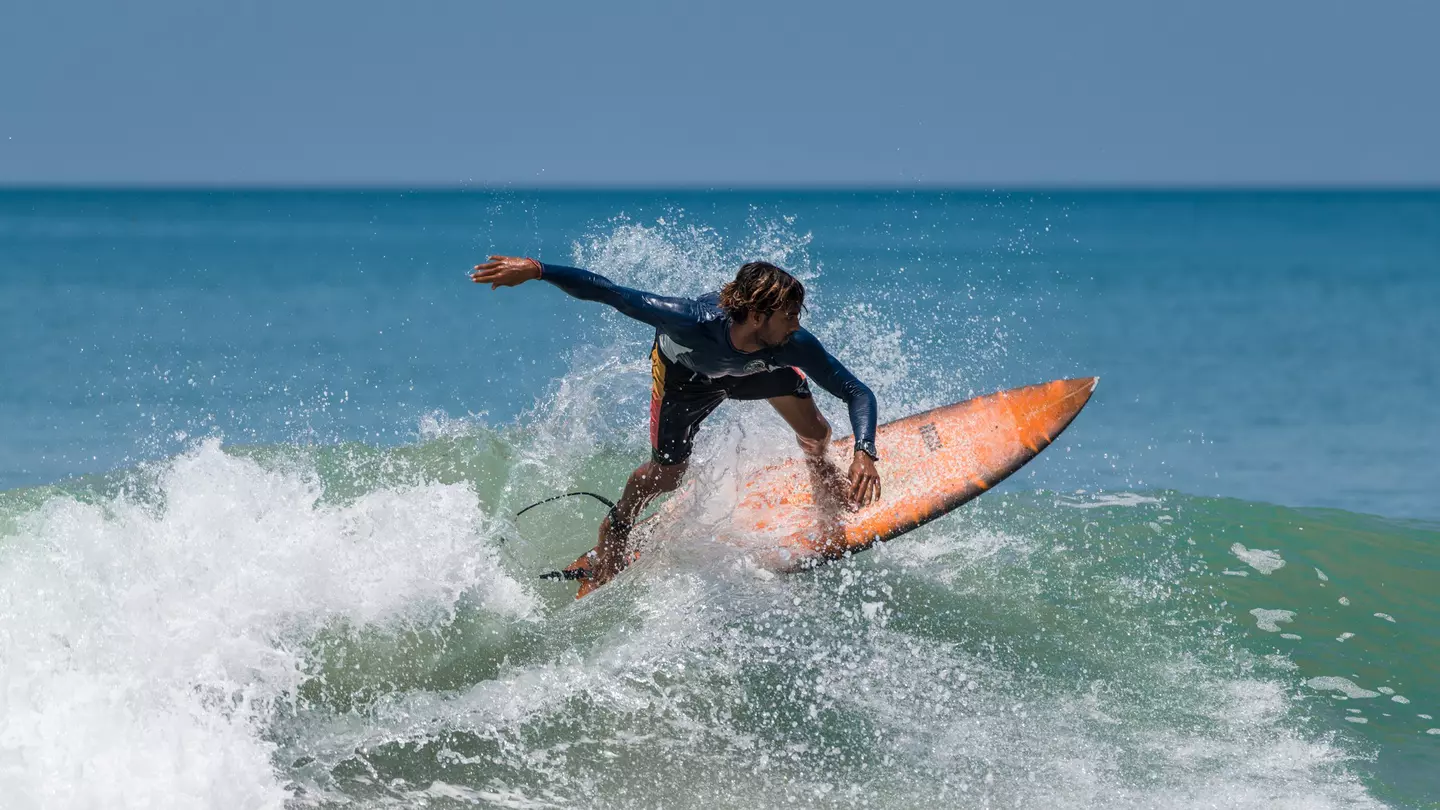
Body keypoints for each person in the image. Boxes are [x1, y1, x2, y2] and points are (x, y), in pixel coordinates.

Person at [471, 255, 881, 589]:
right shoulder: (689, 320)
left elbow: (857, 392)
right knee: (668, 475)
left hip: (753, 370)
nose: (797, 324)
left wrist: (864, 451)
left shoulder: (793, 343)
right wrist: (537, 270)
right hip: (685, 379)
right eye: (789, 315)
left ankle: (823, 478)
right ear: (756, 315)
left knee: (817, 433)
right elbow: (612, 293)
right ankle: (617, 525)